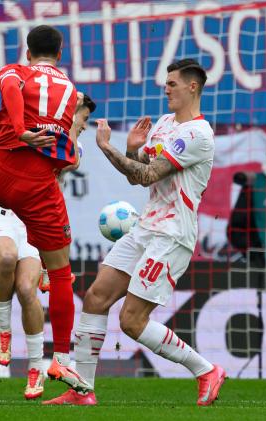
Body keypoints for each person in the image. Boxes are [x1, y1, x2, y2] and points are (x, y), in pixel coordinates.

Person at [46, 58, 225, 406]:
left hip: (172, 235)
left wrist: (109, 149)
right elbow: (137, 173)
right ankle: (82, 390)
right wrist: (130, 149)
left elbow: (148, 175)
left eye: (172, 83)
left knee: (132, 320)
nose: (166, 87)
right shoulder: (163, 124)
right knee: (96, 296)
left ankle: (205, 370)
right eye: (166, 82)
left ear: (193, 87)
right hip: (146, 226)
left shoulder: (198, 135)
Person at [0, 93, 96, 399]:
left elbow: (70, 157)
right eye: (83, 118)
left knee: (28, 290)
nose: (84, 125)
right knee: (6, 258)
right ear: (71, 113)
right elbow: (4, 131)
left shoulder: (71, 147)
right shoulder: (36, 129)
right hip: (3, 216)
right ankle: (3, 333)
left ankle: (35, 368)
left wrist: (68, 123)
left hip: (32, 223)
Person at [0, 24, 91, 392]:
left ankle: (15, 339)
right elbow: (64, 156)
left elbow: (11, 91)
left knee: (22, 269)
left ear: (27, 52)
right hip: (37, 187)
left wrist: (19, 127)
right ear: (60, 54)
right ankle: (61, 360)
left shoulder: (14, 70)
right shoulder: (70, 91)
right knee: (63, 275)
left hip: (2, 183)